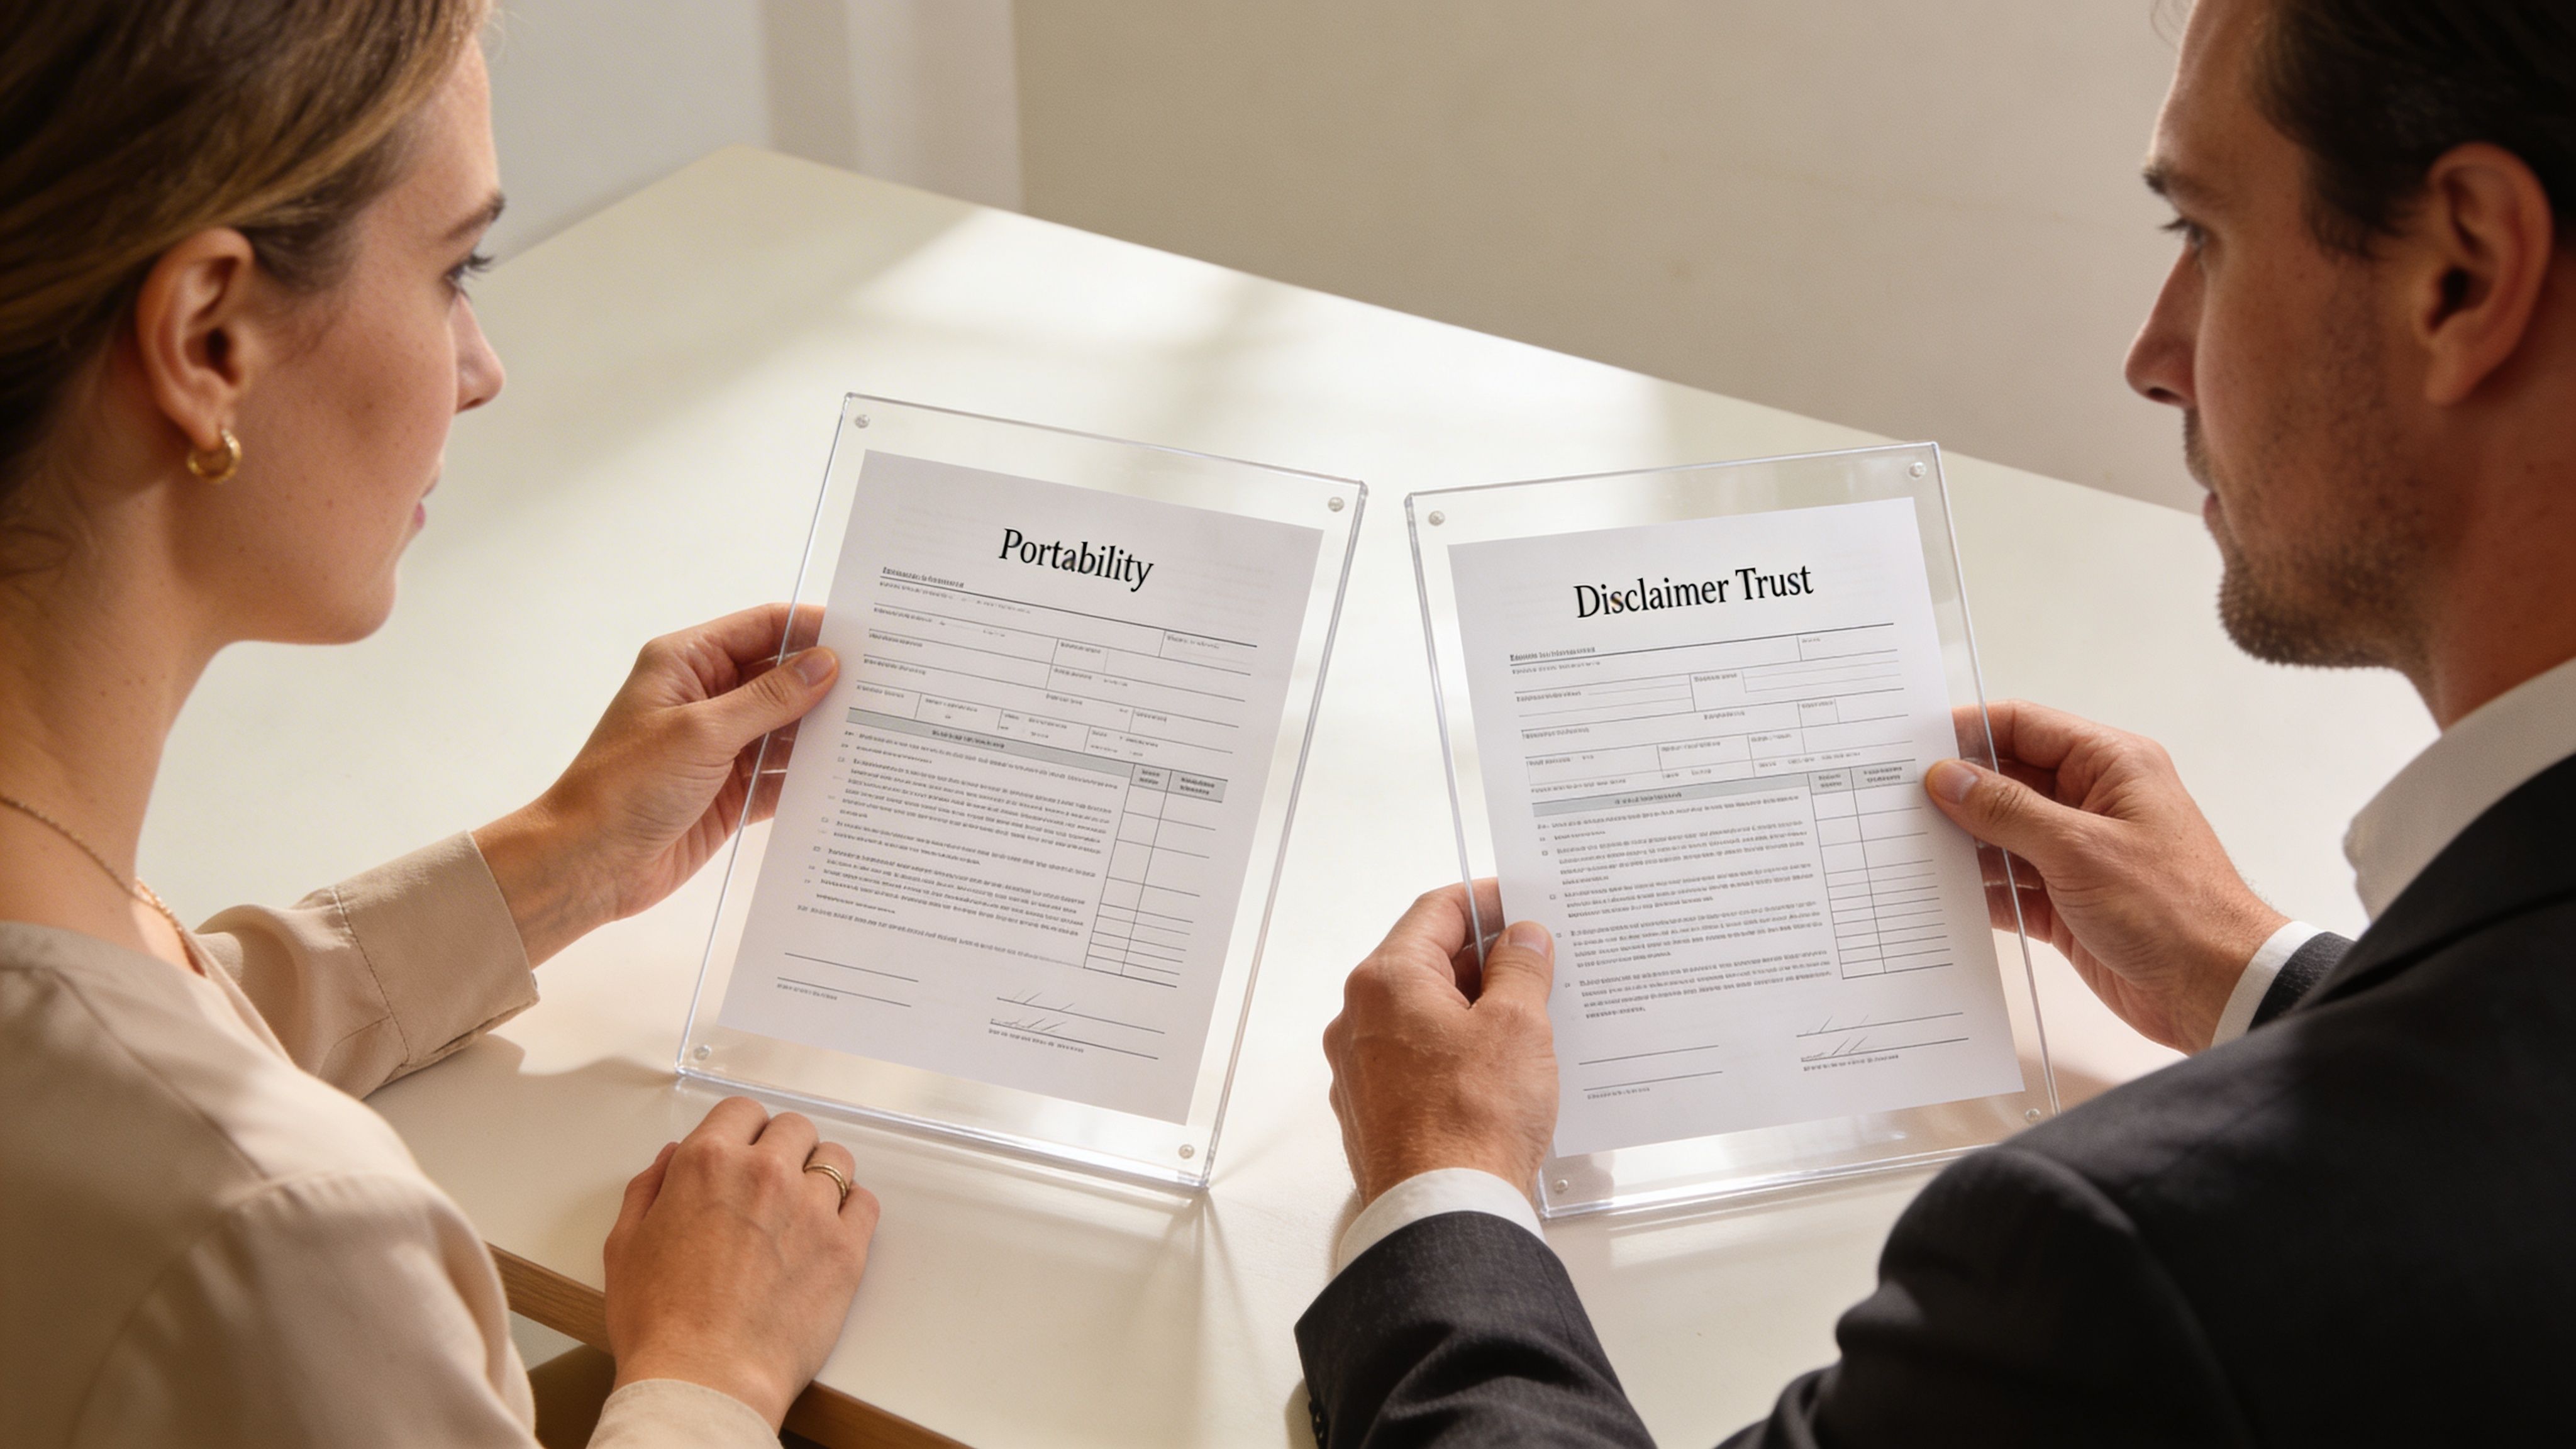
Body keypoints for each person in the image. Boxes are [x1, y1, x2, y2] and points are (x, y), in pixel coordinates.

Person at [1299, 0, 2576, 1442]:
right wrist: (2264, 978)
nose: (2152, 354)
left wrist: (1439, 1184)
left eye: (2201, 236)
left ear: (2462, 276)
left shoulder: (2125, 1262)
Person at [0, 4, 879, 1444]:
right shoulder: (281, 1248)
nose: (481, 366)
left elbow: (86, 1061)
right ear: (206, 336)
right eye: (453, 270)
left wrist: (553, 862)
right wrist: (704, 1374)